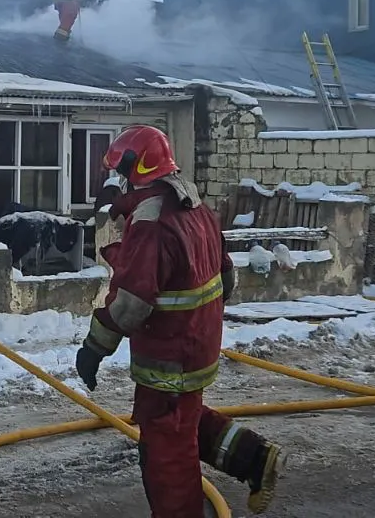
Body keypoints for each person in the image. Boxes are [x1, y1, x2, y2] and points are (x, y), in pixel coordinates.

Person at [74, 125, 284, 516]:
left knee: (166, 453)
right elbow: (227, 279)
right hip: (196, 348)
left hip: (169, 356)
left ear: (137, 168)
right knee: (183, 417)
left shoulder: (152, 220)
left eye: (122, 172)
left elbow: (131, 304)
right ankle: (254, 459)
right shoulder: (197, 209)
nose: (118, 181)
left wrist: (94, 347)